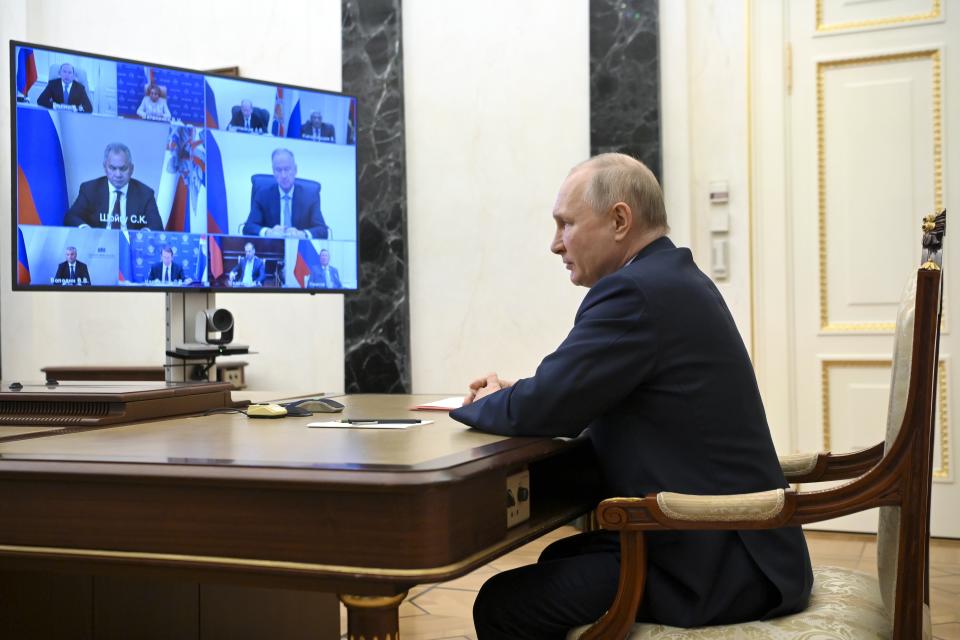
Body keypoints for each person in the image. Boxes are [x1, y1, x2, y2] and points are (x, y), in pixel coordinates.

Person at [451, 153, 813, 638]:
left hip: (718, 562)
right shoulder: (669, 277)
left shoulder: (635, 292)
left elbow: (547, 406)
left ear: (619, 219)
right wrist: (522, 391)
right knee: (560, 558)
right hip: (736, 546)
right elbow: (579, 388)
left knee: (504, 602)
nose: (555, 244)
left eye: (566, 224)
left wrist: (478, 407)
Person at [63, 143, 163, 231]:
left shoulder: (145, 193)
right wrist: (86, 230)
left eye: (123, 168)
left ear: (131, 169)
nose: (118, 174)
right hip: (98, 247)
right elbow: (71, 217)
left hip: (130, 247)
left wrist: (143, 235)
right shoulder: (90, 189)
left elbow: (157, 225)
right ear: (105, 168)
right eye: (112, 168)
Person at [242, 149, 329, 239]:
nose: (283, 175)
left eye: (287, 169)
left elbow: (322, 230)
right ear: (273, 172)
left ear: (295, 170)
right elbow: (248, 227)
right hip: (272, 249)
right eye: (278, 170)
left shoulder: (309, 196)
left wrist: (303, 234)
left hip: (300, 250)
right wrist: (268, 232)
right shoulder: (262, 194)